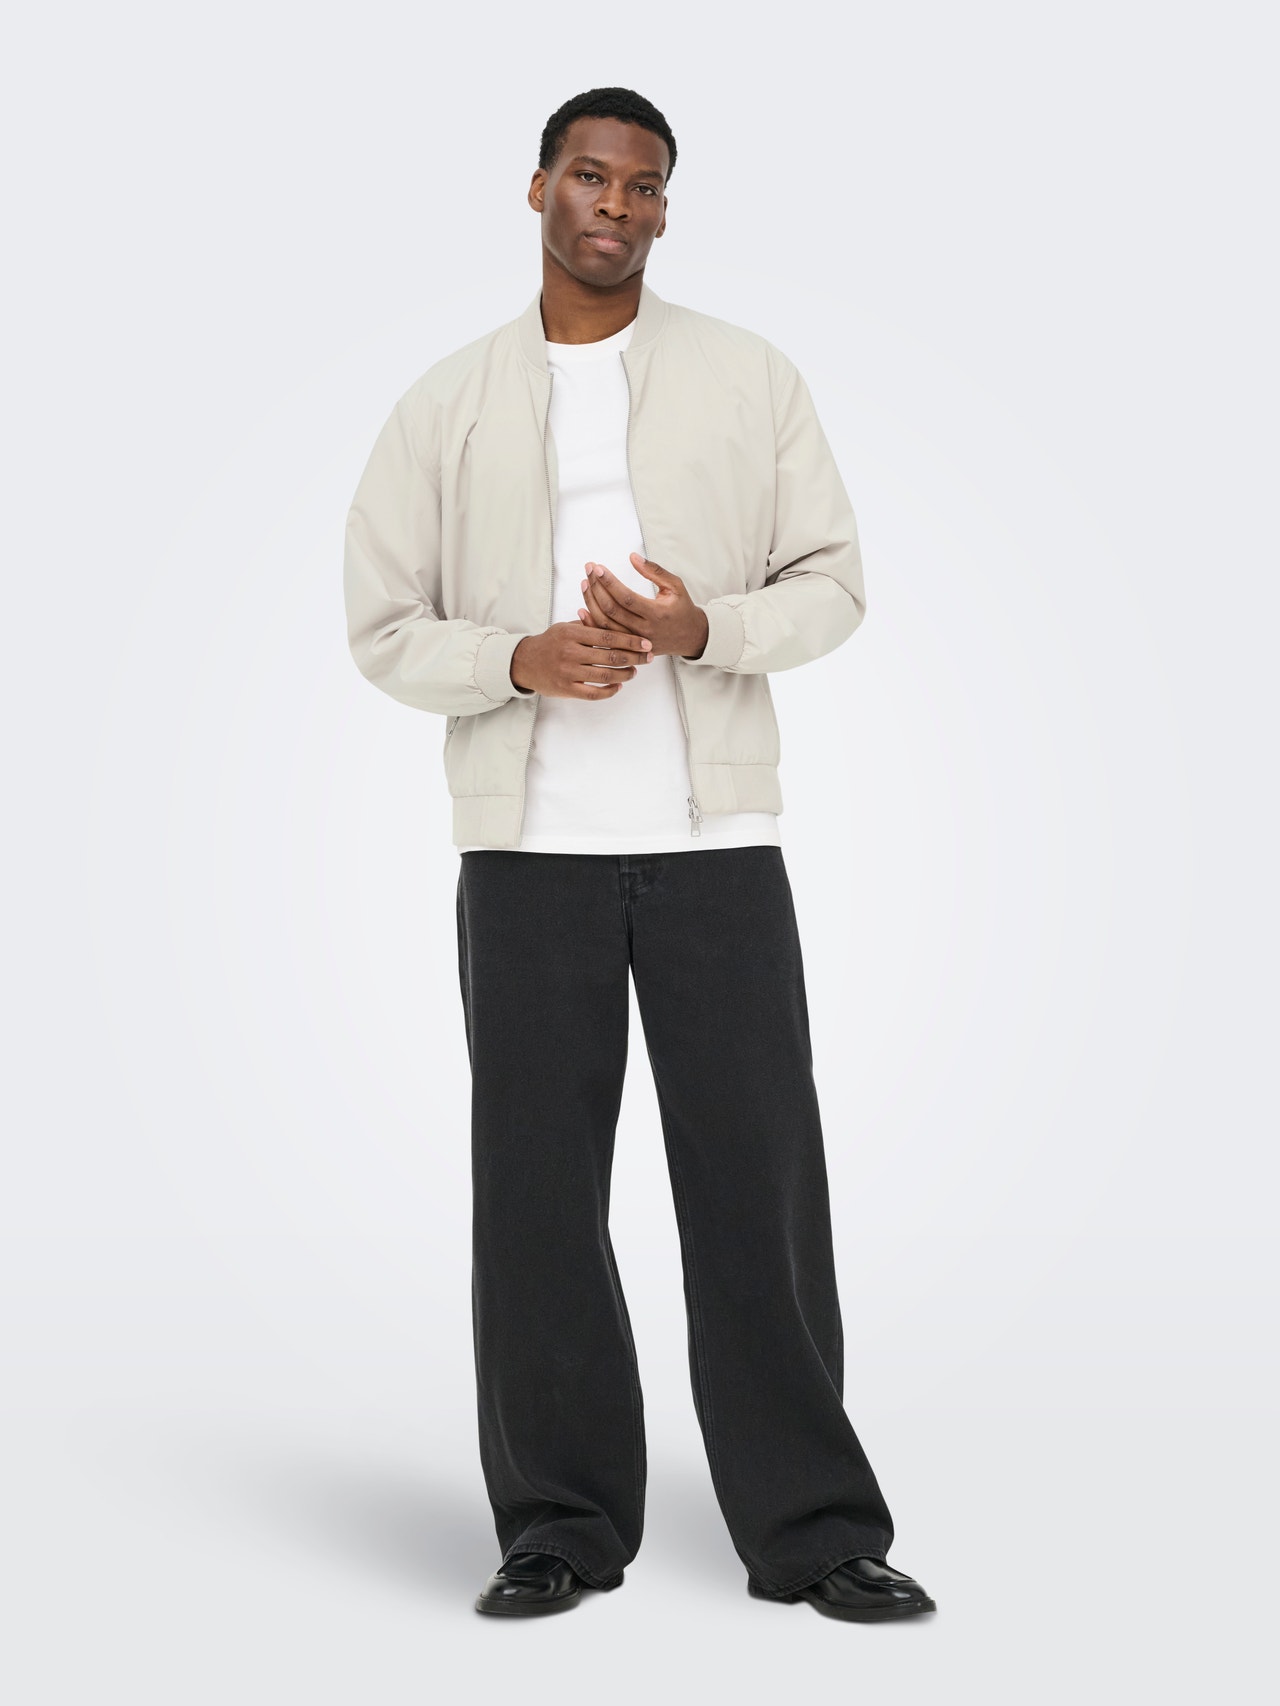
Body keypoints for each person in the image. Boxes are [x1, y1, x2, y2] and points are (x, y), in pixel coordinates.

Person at [342, 85, 936, 1624]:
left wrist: (700, 627)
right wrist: (521, 658)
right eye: (592, 175)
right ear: (539, 186)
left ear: (666, 208)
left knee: (758, 1191)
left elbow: (833, 582)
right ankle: (558, 1522)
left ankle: (814, 1529)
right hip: (528, 851)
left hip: (714, 841)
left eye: (645, 185)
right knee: (537, 1197)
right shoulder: (446, 403)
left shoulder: (749, 376)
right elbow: (382, 625)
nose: (617, 204)